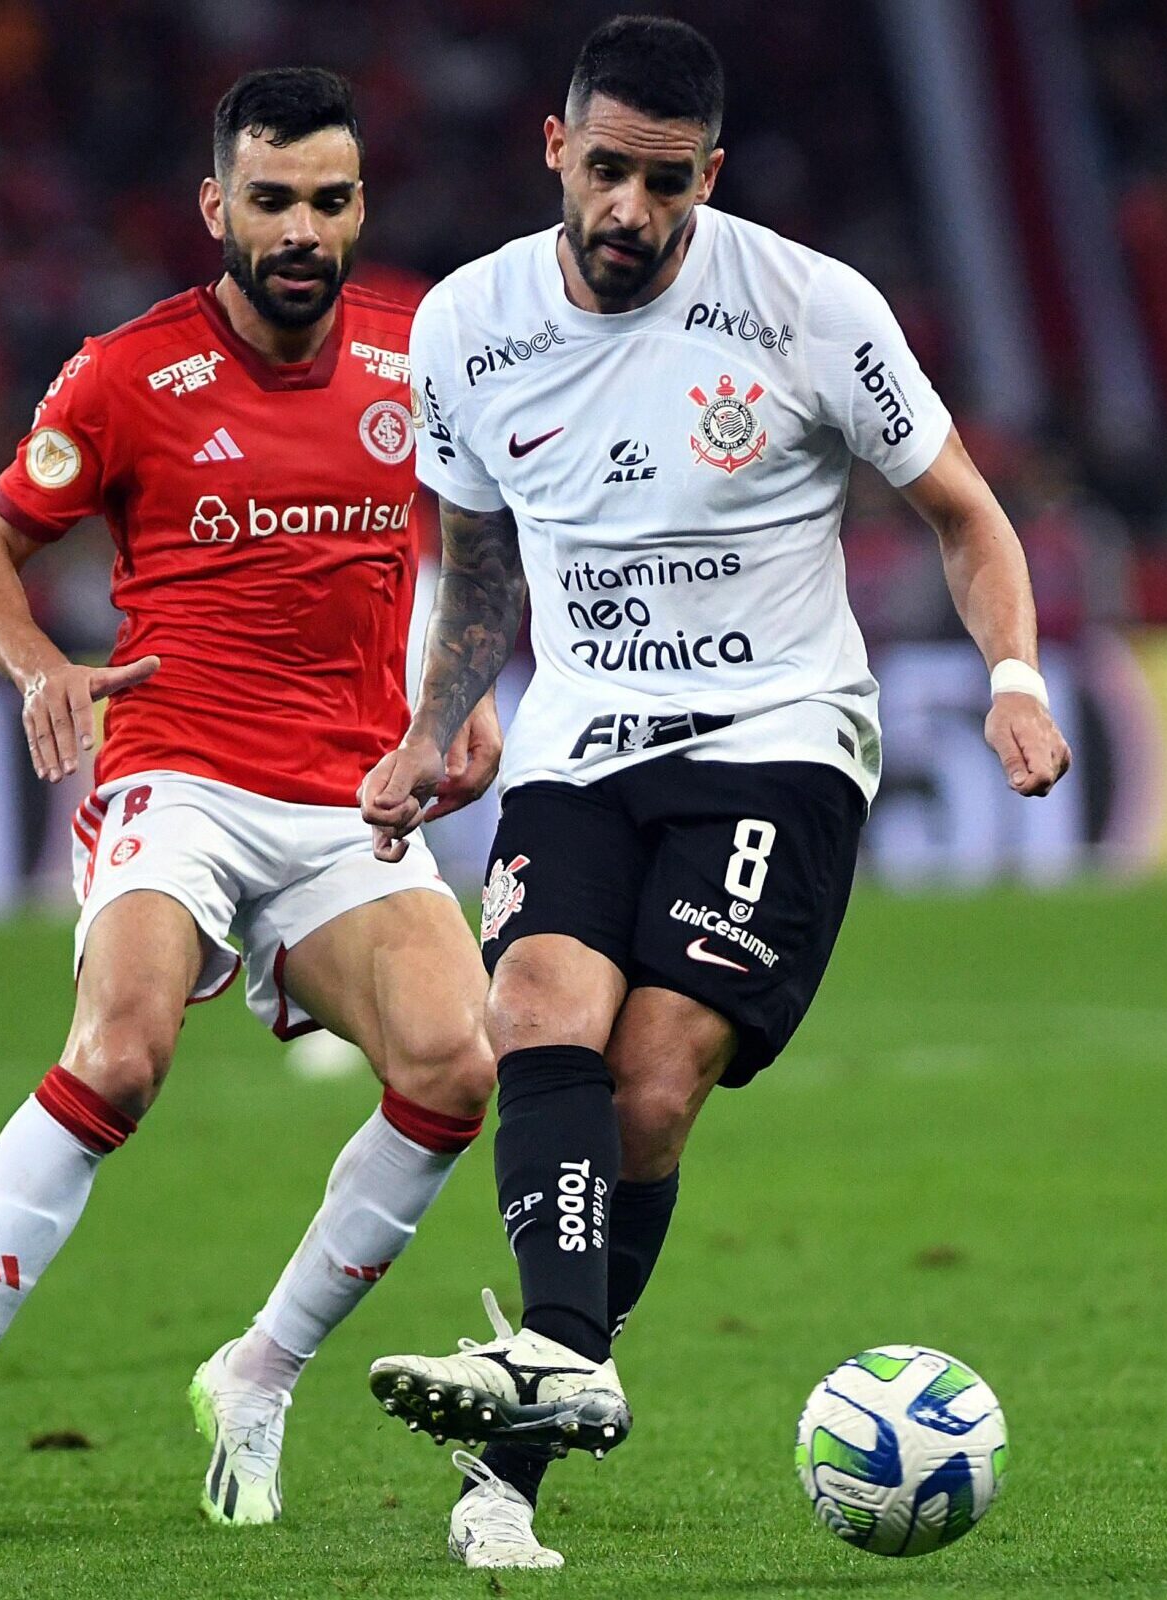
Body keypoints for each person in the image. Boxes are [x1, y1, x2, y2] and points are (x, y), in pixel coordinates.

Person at [356, 16, 1072, 1570]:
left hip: (779, 736)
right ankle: (558, 1371)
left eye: (664, 183)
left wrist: (1014, 680)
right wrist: (442, 717)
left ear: (710, 177)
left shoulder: (813, 309)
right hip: (583, 737)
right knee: (534, 1009)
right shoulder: (466, 325)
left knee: (654, 1085)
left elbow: (967, 515)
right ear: (555, 148)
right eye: (604, 169)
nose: (629, 209)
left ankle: (524, 1439)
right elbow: (472, 559)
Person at [0, 67, 504, 1526]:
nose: (299, 229)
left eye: (327, 202)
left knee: (458, 1065)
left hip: (350, 796)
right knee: (125, 1049)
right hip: (180, 776)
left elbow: (487, 547)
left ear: (360, 208)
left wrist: (456, 715)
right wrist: (39, 669)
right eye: (270, 200)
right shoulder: (127, 375)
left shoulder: (424, 356)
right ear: (217, 206)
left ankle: (261, 1372)